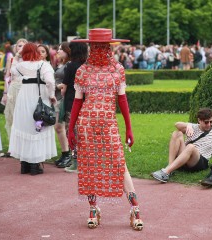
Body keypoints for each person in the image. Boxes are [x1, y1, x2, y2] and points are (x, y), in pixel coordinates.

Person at [68, 28, 143, 230]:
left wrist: (129, 128)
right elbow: (77, 102)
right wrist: (71, 128)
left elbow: (122, 99)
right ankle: (93, 208)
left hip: (108, 122)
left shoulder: (117, 69)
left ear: (109, 47)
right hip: (86, 123)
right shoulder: (82, 71)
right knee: (89, 166)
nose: (100, 49)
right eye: (95, 46)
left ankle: (135, 208)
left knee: (119, 163)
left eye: (103, 46)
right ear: (90, 47)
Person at [8, 43, 57, 175]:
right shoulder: (44, 65)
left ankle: (25, 165)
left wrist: (17, 55)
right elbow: (50, 82)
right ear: (36, 52)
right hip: (39, 100)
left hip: (23, 100)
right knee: (37, 128)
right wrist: (52, 95)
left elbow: (12, 71)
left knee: (24, 127)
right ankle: (35, 165)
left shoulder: (21, 65)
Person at [151, 108, 212, 183]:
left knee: (191, 146)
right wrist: (189, 125)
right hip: (185, 156)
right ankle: (169, 169)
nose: (209, 124)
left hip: (200, 161)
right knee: (177, 133)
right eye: (206, 122)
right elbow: (176, 124)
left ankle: (165, 172)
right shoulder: (193, 127)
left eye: (211, 122)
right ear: (199, 120)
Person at [58, 40, 88, 169]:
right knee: (84, 133)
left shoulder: (70, 66)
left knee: (71, 132)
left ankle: (75, 163)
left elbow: (64, 88)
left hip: (71, 101)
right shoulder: (87, 65)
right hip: (87, 102)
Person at [2, 38, 28, 142]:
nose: (21, 48)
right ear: (16, 47)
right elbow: (7, 77)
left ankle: (23, 143)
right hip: (13, 91)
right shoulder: (12, 59)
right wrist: (5, 93)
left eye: (23, 46)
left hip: (26, 91)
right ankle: (12, 144)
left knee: (24, 117)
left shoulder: (30, 60)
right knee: (12, 118)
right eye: (19, 46)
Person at [53, 42, 72, 170]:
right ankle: (66, 153)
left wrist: (59, 86)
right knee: (60, 127)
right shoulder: (62, 64)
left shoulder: (69, 65)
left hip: (63, 98)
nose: (58, 51)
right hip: (57, 97)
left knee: (61, 126)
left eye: (61, 49)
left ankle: (68, 154)